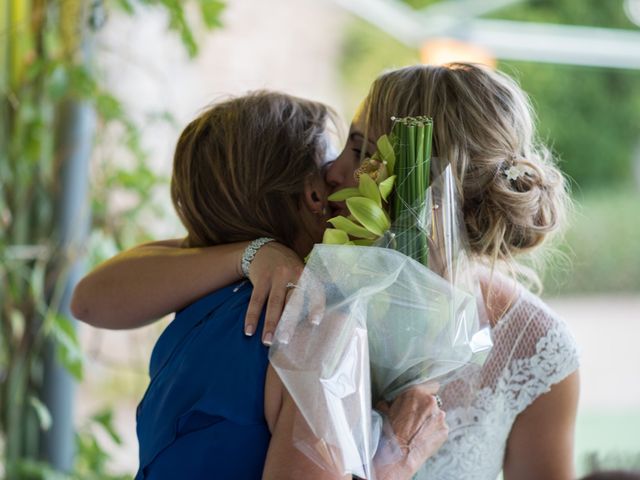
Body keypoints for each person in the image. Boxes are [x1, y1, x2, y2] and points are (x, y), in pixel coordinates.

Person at [72, 63, 580, 479]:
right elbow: (91, 298)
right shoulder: (314, 295)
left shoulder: (537, 347)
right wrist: (253, 252)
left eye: (357, 150)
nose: (334, 173)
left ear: (417, 174)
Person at [132, 91, 448, 479]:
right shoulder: (315, 319)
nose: (340, 173)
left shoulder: (197, 298)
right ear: (314, 195)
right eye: (334, 156)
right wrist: (398, 458)